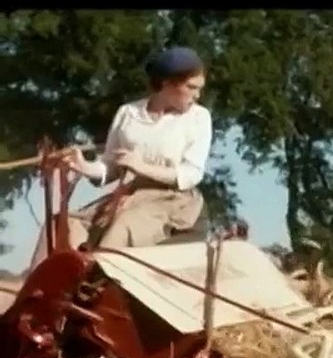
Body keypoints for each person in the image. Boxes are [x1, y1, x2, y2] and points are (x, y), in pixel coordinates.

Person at [29, 46, 212, 268]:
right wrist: (83, 166)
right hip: (126, 195)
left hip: (170, 199)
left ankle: (92, 289)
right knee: (63, 223)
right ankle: (36, 294)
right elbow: (110, 166)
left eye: (199, 88)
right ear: (166, 84)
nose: (197, 95)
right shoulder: (128, 113)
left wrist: (141, 166)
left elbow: (191, 174)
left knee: (122, 228)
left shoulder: (199, 118)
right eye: (191, 87)